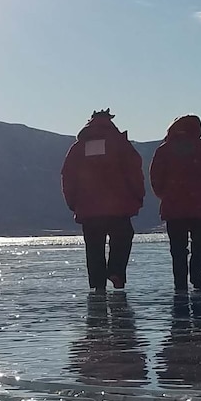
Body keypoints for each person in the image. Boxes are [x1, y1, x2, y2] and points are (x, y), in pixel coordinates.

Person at [61, 109, 146, 292]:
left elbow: (68, 176)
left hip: (88, 209)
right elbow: (135, 173)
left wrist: (72, 202)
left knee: (93, 247)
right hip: (119, 207)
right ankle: (116, 271)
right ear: (111, 121)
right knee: (122, 238)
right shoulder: (120, 144)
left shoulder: (78, 148)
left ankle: (97, 285)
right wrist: (138, 196)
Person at [147, 114, 201, 292]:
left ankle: (180, 284)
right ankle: (197, 275)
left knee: (177, 249)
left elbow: (155, 178)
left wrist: (165, 195)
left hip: (174, 209)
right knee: (200, 244)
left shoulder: (164, 150)